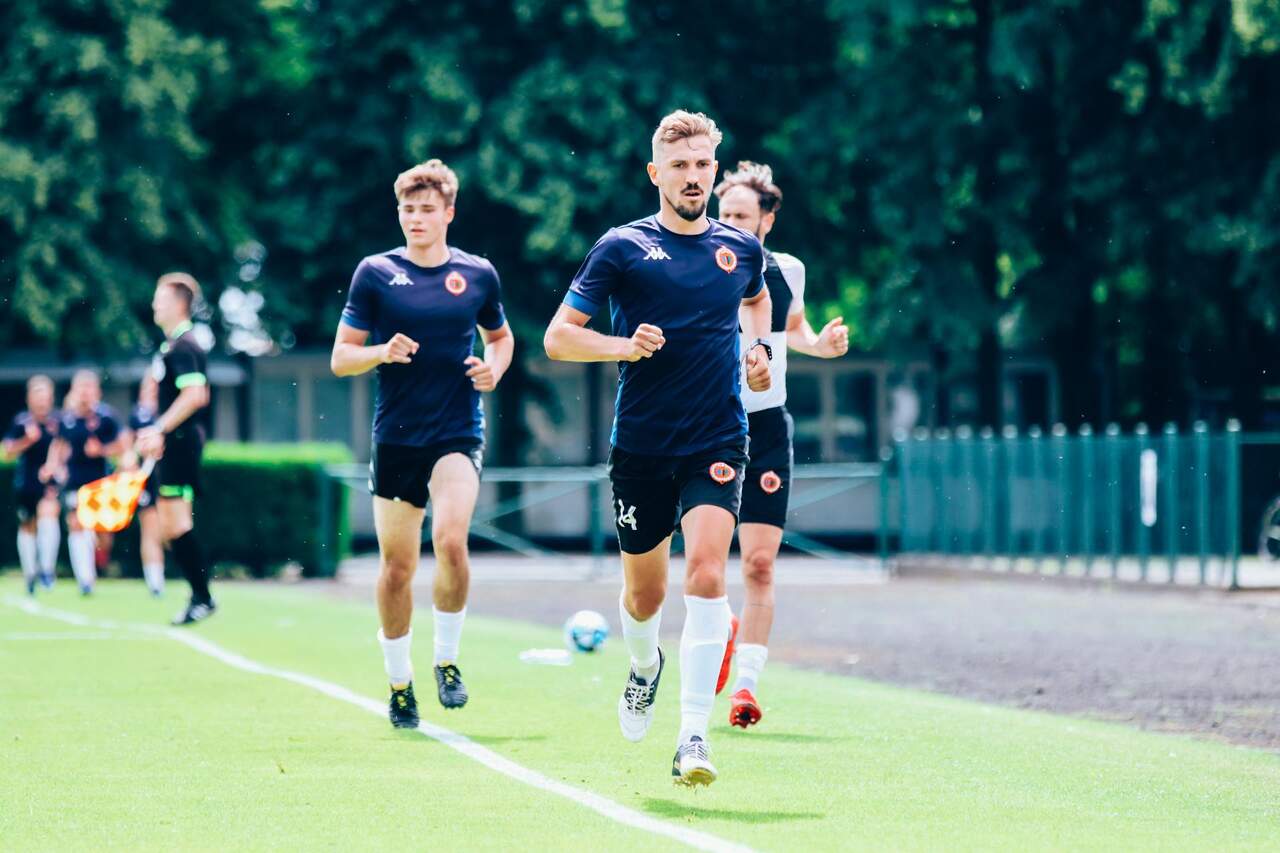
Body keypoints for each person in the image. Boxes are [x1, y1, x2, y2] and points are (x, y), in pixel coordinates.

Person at [543, 110, 773, 786]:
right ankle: (645, 667)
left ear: (713, 169)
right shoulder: (622, 247)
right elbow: (558, 337)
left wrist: (758, 351)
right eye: (679, 166)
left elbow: (756, 300)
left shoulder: (740, 249)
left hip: (717, 437)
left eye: (702, 165)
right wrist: (624, 344)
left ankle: (693, 736)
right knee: (645, 596)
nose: (693, 177)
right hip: (642, 446)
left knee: (706, 574)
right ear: (655, 173)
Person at [331, 159, 514, 730]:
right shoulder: (375, 273)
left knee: (452, 542)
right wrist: (381, 352)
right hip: (397, 437)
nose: (416, 218)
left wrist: (494, 368)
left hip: (457, 430)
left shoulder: (477, 273)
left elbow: (501, 338)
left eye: (427, 209)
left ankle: (447, 661)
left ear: (448, 213)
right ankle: (399, 682)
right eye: (408, 209)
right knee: (396, 568)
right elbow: (341, 357)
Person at [714, 161, 850, 728]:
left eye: (741, 217)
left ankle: (746, 687)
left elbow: (792, 331)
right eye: (724, 214)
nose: (730, 225)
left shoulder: (787, 270)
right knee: (704, 564)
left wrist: (821, 344)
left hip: (767, 427)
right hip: (708, 426)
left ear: (766, 220)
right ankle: (718, 627)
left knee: (760, 564)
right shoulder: (696, 266)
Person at [135, 273, 214, 624]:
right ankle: (200, 595)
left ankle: (203, 596)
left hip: (181, 447)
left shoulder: (184, 346)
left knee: (176, 524)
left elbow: (196, 395)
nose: (154, 304)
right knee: (171, 527)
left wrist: (159, 428)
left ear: (180, 304)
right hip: (175, 445)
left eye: (161, 298)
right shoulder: (172, 346)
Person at [55, 370, 126, 595]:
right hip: (75, 483)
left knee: (103, 535)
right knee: (76, 525)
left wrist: (101, 450)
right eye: (81, 388)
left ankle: (98, 561)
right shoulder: (66, 419)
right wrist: (54, 466)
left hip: (101, 484)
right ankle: (85, 580)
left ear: (97, 391)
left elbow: (123, 446)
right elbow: (59, 446)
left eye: (89, 388)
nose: (85, 393)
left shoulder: (107, 417)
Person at [3, 375, 62, 594]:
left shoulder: (58, 422)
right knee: (27, 526)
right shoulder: (21, 422)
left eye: (45, 396)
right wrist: (27, 440)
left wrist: (53, 466)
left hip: (48, 482)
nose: (42, 401)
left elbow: (63, 447)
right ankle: (30, 573)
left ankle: (47, 569)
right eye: (37, 396)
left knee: (49, 516)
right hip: (25, 482)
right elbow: (7, 451)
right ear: (29, 398)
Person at [123, 374, 165, 596]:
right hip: (148, 478)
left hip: (170, 475)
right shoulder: (139, 415)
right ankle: (155, 582)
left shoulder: (172, 409)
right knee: (150, 530)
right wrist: (133, 457)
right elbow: (129, 448)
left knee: (170, 531)